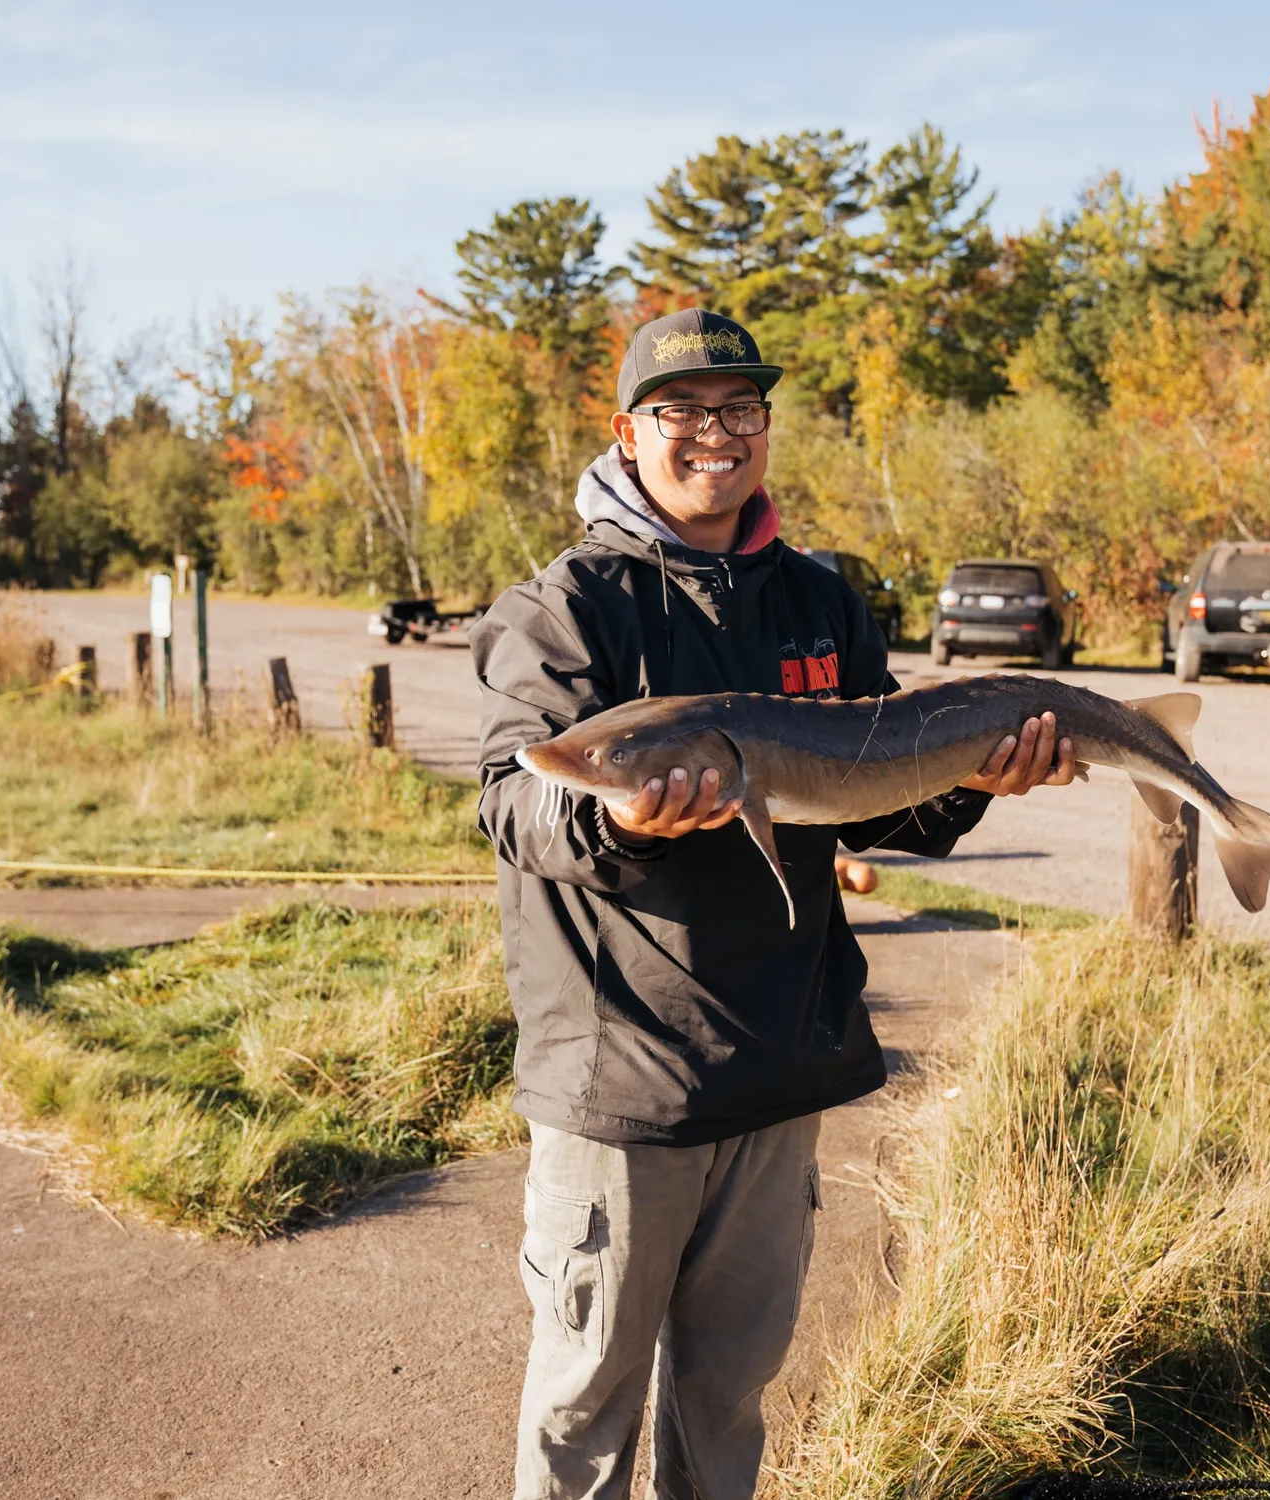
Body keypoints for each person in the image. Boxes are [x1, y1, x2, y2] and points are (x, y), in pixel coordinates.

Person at [471, 309, 1075, 1500]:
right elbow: (511, 802)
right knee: (583, 1407)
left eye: (740, 408)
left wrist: (976, 779)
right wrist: (614, 817)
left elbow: (876, 804)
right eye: (683, 410)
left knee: (728, 1405)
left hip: (776, 1075)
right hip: (622, 1085)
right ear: (627, 433)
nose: (716, 433)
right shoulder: (568, 606)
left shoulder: (819, 600)